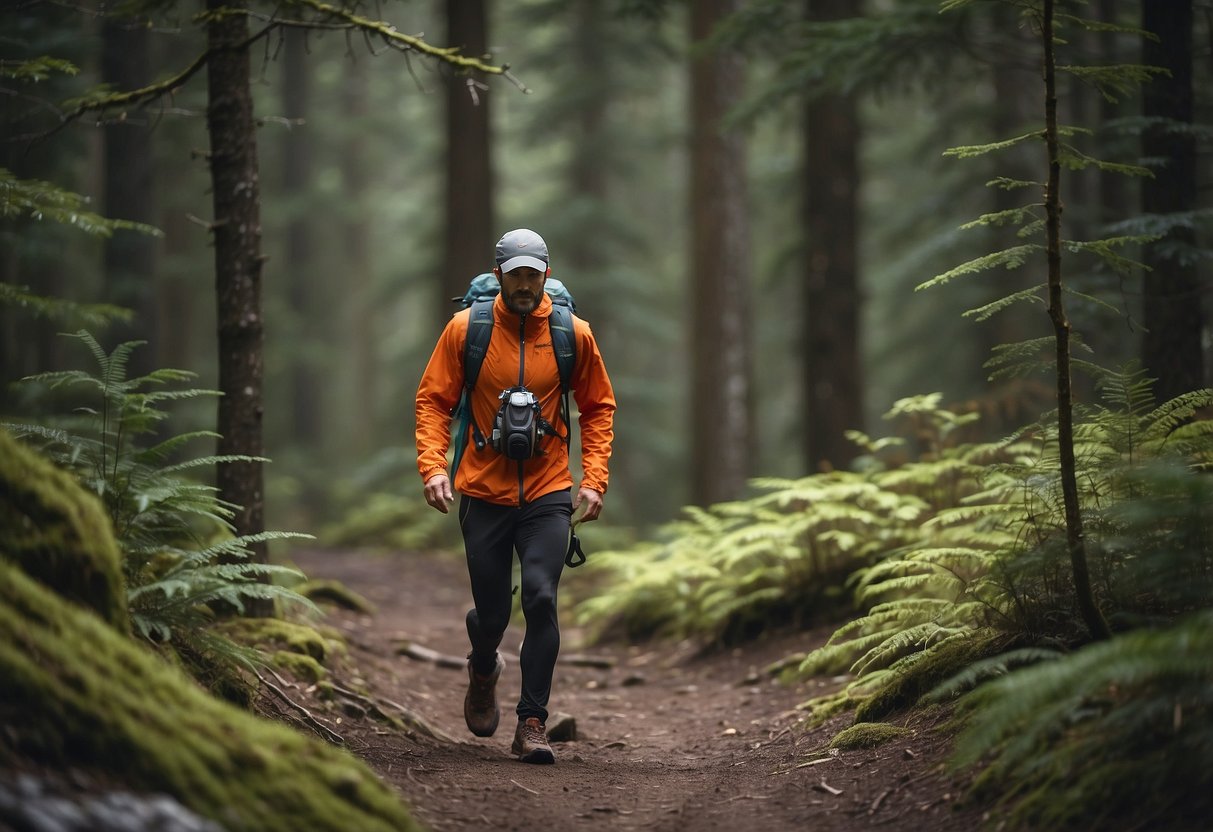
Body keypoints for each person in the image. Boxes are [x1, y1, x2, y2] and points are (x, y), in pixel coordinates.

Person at [415, 228, 616, 764]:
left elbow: (598, 407)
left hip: (549, 490)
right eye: (515, 274)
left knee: (542, 597)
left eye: (533, 274)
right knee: (491, 615)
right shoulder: (467, 329)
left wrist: (593, 479)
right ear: (499, 274)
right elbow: (434, 401)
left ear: (546, 274)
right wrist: (434, 468)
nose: (524, 284)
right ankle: (484, 666)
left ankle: (532, 723)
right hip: (482, 489)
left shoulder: (573, 333)